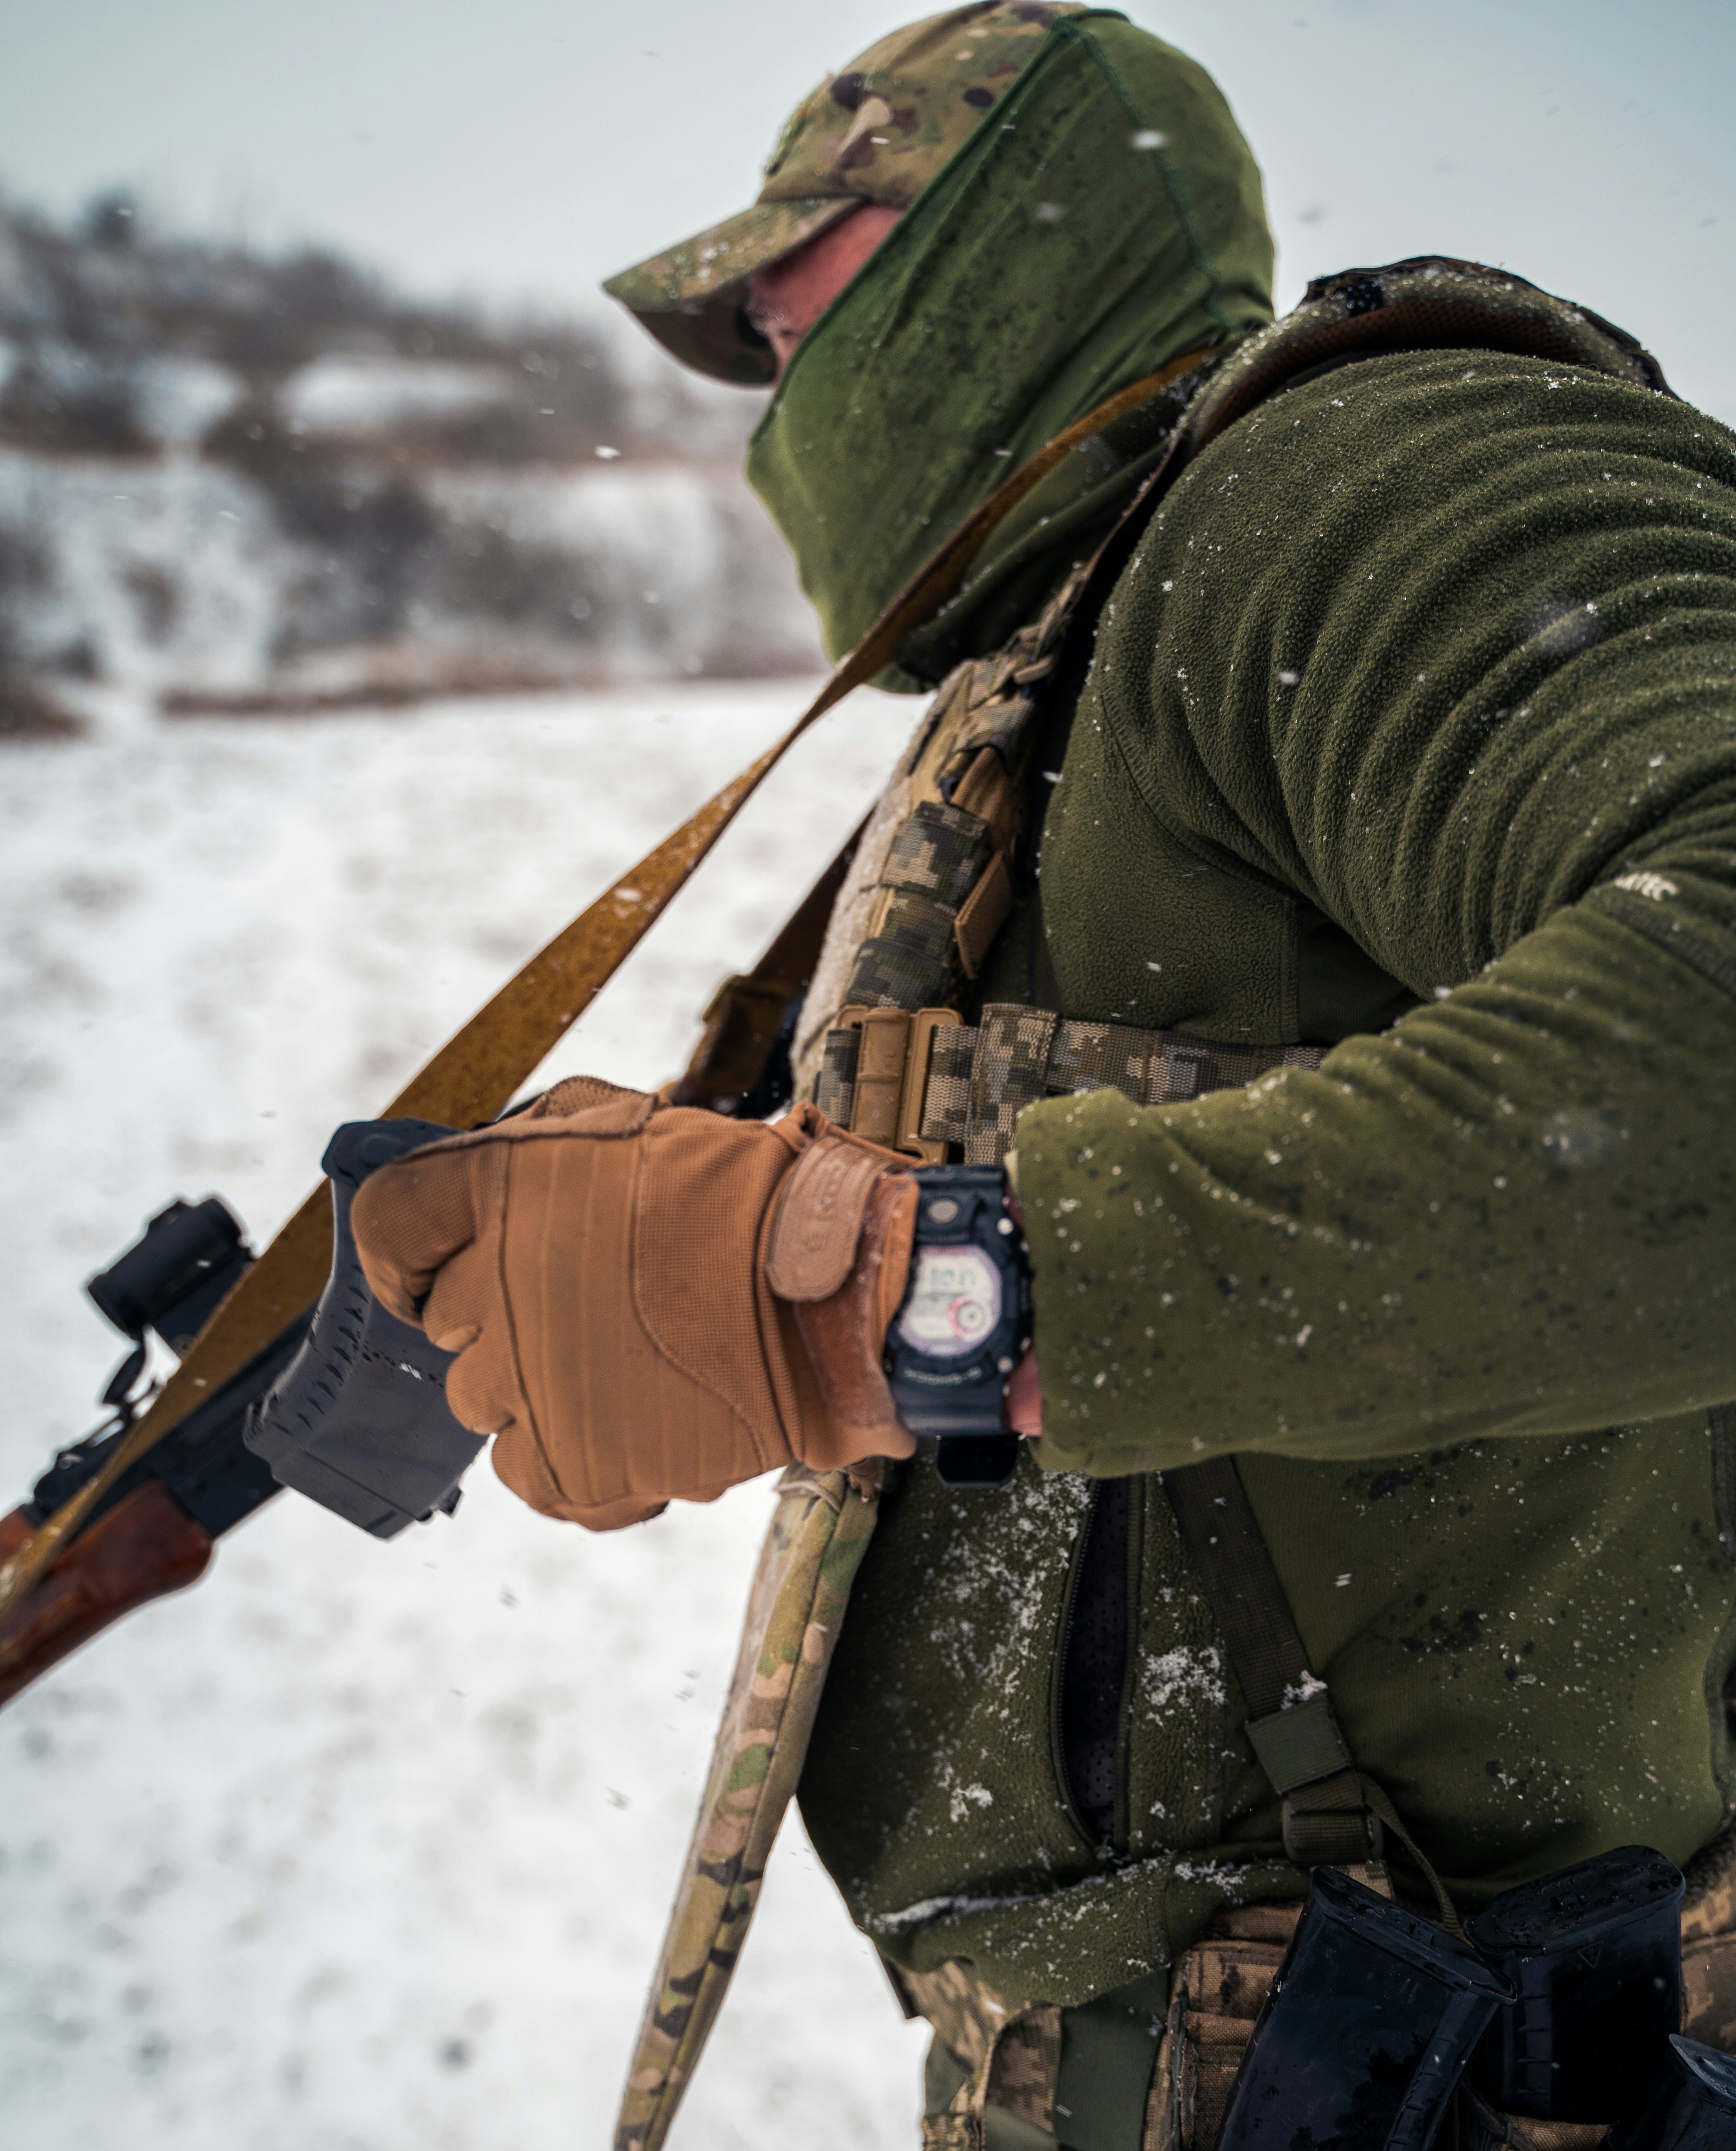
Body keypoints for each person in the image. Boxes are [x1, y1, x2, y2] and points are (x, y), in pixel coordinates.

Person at [350, 5, 1736, 2143]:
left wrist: (905, 1304)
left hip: (1456, 2062)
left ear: (1009, 237)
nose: (768, 391)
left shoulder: (1356, 478)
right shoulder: (1077, 657)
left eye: (790, 294)